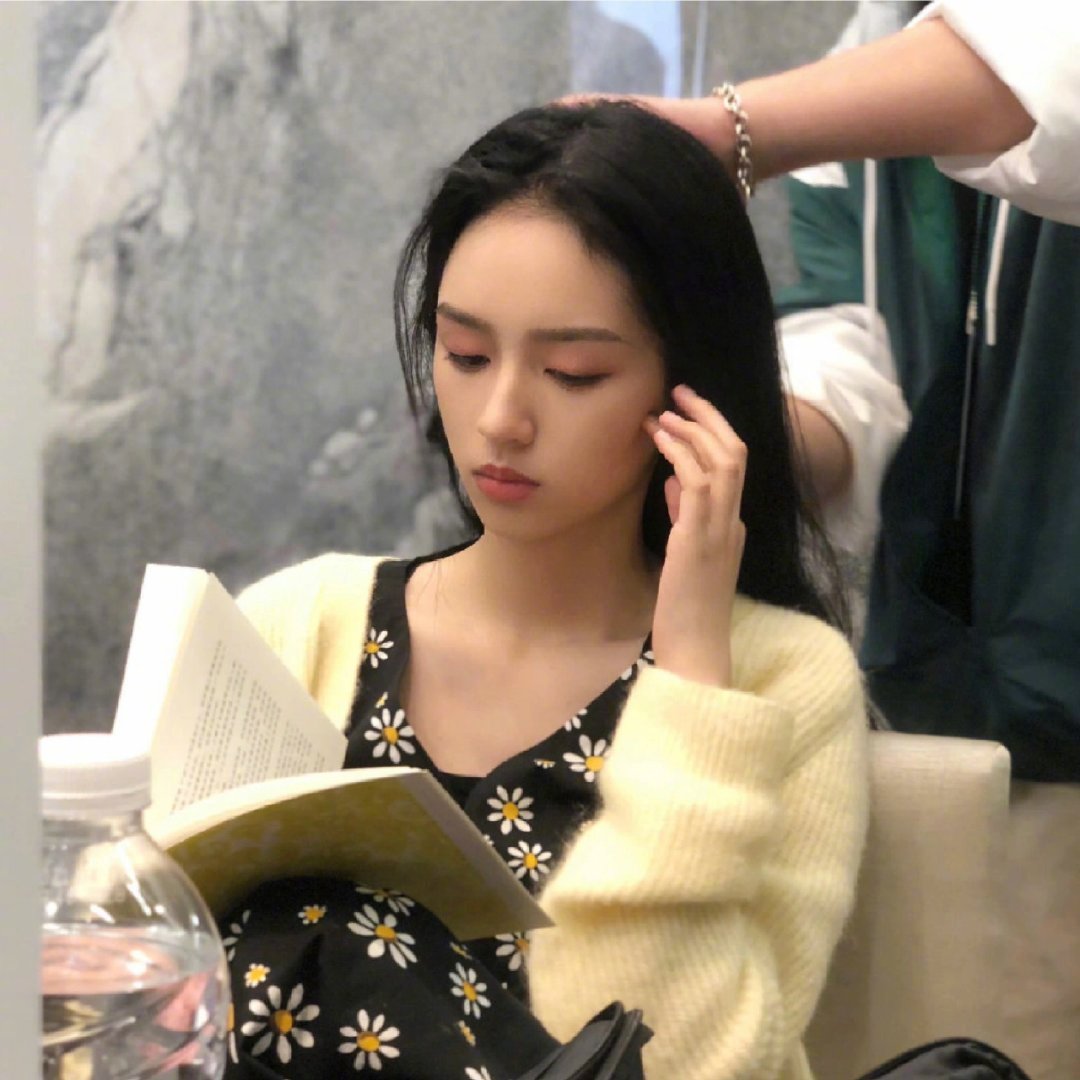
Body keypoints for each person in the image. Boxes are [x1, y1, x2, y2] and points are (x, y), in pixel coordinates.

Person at [226, 101, 868, 1080]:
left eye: (573, 373)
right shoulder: (298, 624)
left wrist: (693, 677)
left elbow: (690, 1062)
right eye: (465, 354)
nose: (501, 418)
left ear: (690, 393)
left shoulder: (781, 680)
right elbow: (144, 975)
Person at [616, 2, 1080, 1074]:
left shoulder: (862, 91)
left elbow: (1047, 75)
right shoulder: (875, 44)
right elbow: (852, 350)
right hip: (930, 696)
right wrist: (740, 447)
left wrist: (734, 129)